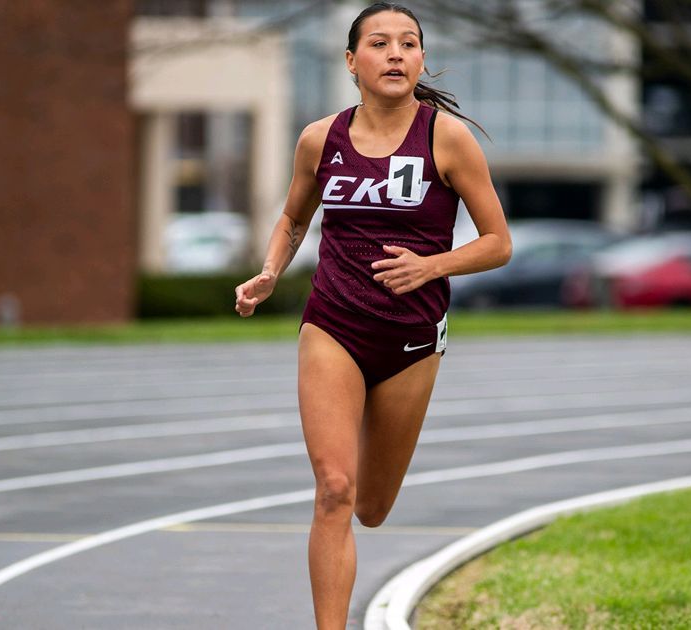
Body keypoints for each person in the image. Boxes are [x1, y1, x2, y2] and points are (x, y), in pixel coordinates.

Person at [234, 3, 511, 627]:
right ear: (352, 61)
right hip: (333, 325)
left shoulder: (447, 137)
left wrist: (431, 266)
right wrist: (271, 271)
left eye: (408, 44)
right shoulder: (319, 138)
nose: (395, 53)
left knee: (373, 506)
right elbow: (293, 218)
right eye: (380, 43)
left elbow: (498, 242)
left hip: (412, 340)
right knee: (334, 489)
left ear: (420, 60)